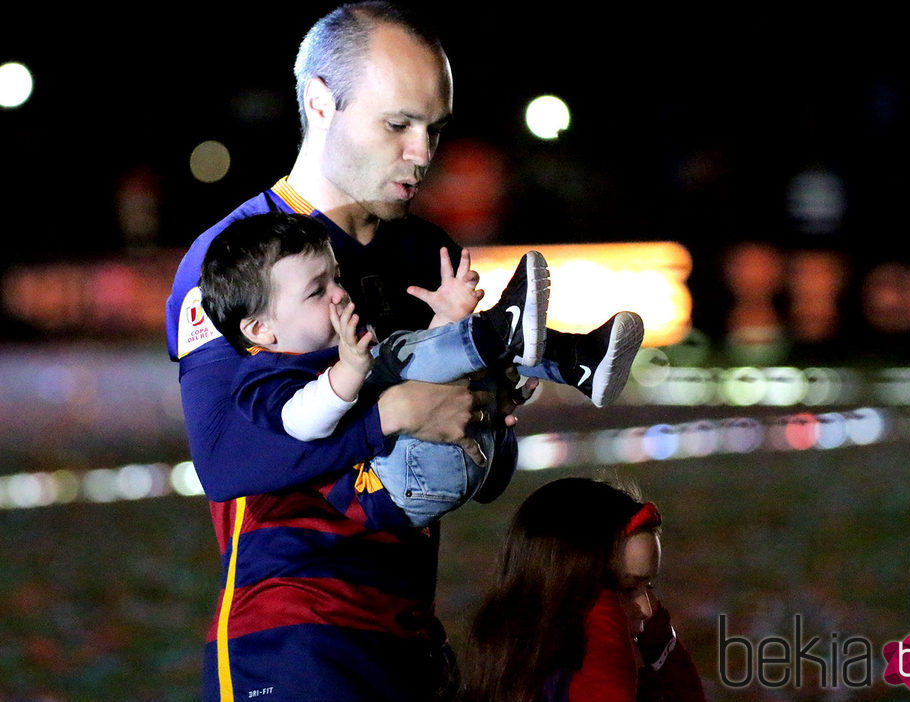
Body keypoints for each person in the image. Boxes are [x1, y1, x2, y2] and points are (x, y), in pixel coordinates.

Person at [164, 2, 644, 700]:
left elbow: (481, 477)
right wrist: (392, 410)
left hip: (412, 637)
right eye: (398, 125)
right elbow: (225, 460)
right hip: (290, 636)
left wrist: (485, 414)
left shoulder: (429, 252)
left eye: (434, 129)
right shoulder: (235, 255)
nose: (422, 153)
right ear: (320, 104)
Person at [199, 211, 552, 526]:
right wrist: (352, 370)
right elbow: (301, 421)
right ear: (260, 330)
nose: (339, 294)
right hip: (397, 484)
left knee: (403, 352)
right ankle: (503, 333)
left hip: (440, 472)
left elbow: (414, 375)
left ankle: (568, 362)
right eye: (316, 292)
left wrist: (446, 318)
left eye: (336, 278)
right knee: (395, 350)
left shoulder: (344, 343)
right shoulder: (263, 377)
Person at [462, 477, 706, 702]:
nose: (647, 608)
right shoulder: (552, 686)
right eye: (627, 589)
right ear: (570, 593)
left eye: (649, 586)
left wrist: (663, 649)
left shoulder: (640, 665)